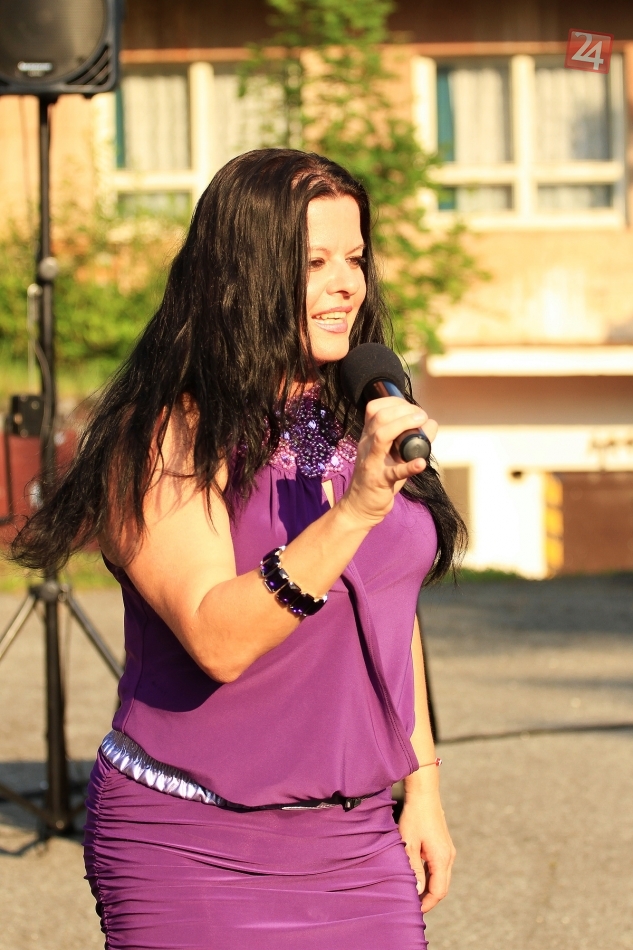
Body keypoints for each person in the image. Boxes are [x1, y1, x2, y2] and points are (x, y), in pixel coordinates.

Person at [11, 149, 465, 950]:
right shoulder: (163, 433)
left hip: (356, 839)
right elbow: (216, 639)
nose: (347, 285)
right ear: (244, 274)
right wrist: (355, 510)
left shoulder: (357, 415)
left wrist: (421, 787)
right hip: (190, 841)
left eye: (355, 258)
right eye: (315, 263)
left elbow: (391, 612)